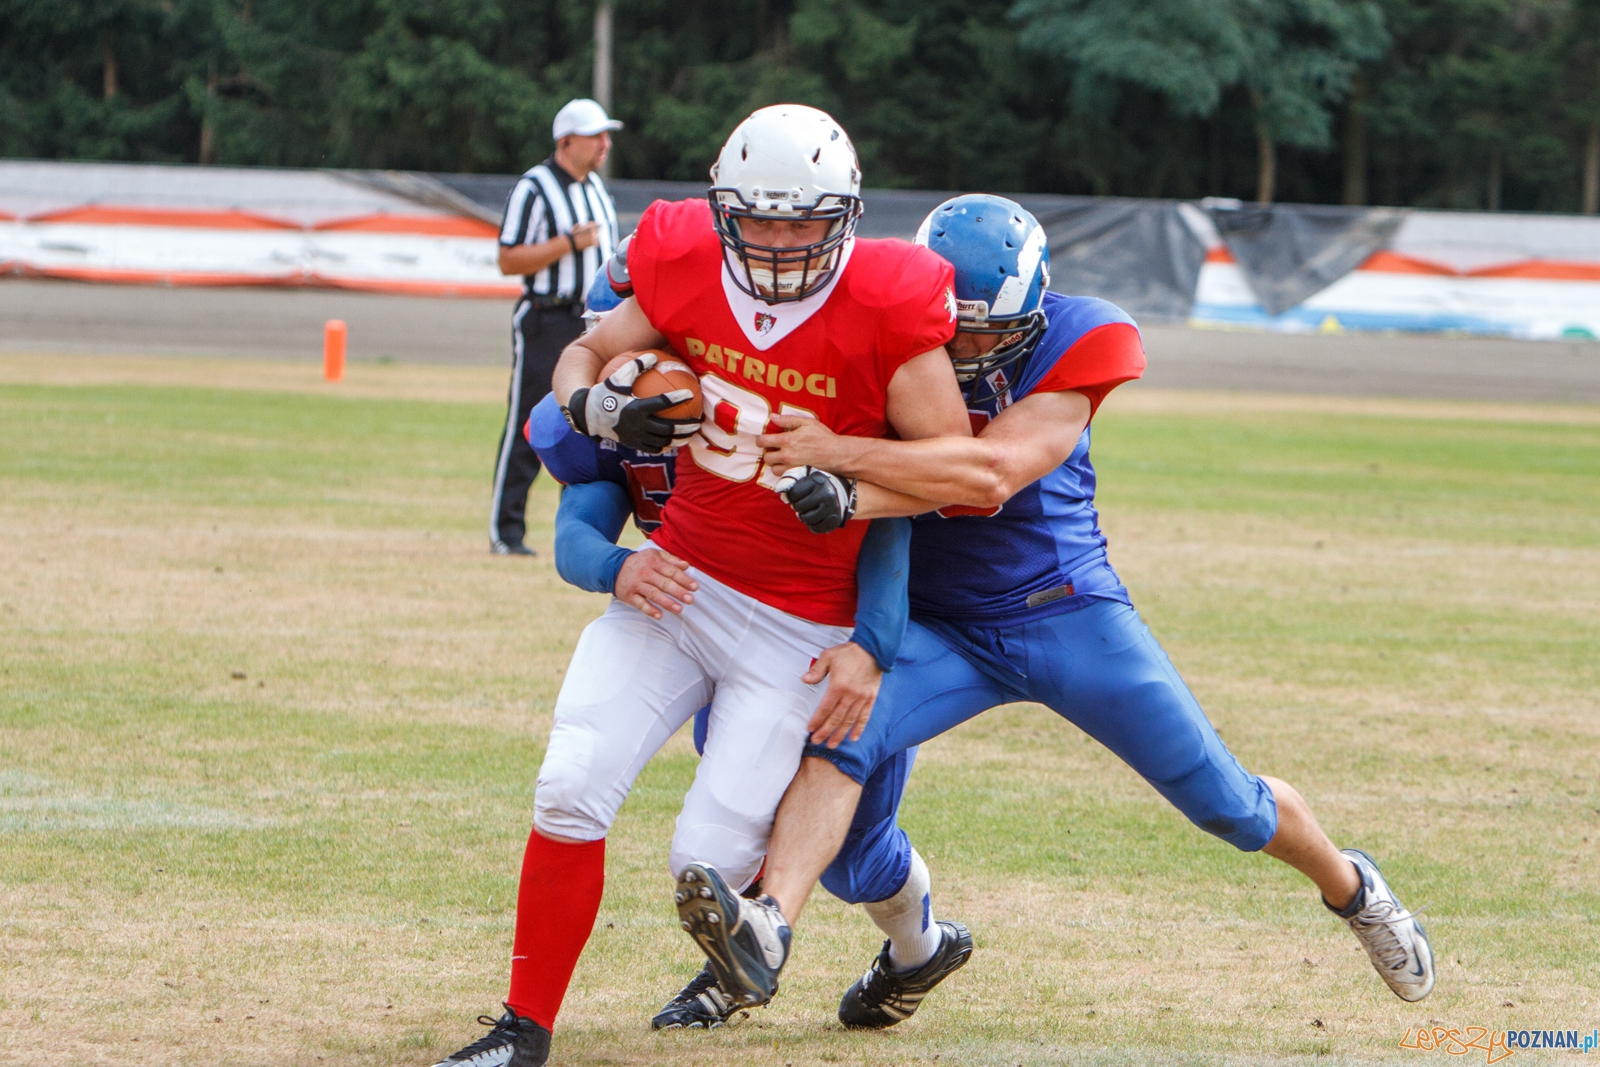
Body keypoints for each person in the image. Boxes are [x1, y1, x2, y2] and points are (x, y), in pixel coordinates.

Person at [680, 194, 1438, 1023]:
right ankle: (767, 929)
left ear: (1032, 311)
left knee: (1225, 800)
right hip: (936, 625)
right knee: (837, 730)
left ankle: (1354, 888)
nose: (965, 349)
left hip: (1063, 608)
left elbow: (988, 478)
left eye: (985, 332)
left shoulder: (1085, 335)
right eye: (951, 330)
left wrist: (839, 460)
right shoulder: (880, 320)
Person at [429, 104, 971, 1067]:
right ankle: (522, 1028)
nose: (773, 240)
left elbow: (947, 469)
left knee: (706, 862)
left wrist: (851, 487)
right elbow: (585, 356)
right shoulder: (679, 256)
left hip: (799, 625)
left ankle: (817, 947)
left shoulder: (888, 300)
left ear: (844, 214)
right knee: (570, 785)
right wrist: (594, 404)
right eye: (754, 217)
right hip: (684, 583)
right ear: (723, 208)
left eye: (799, 219)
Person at [488, 98, 623, 556]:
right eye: (596, 136)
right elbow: (508, 259)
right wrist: (567, 243)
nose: (605, 144)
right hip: (547, 316)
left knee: (590, 425)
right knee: (530, 421)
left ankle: (579, 533)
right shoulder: (535, 187)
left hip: (590, 323)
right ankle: (506, 532)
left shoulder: (596, 188)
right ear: (567, 141)